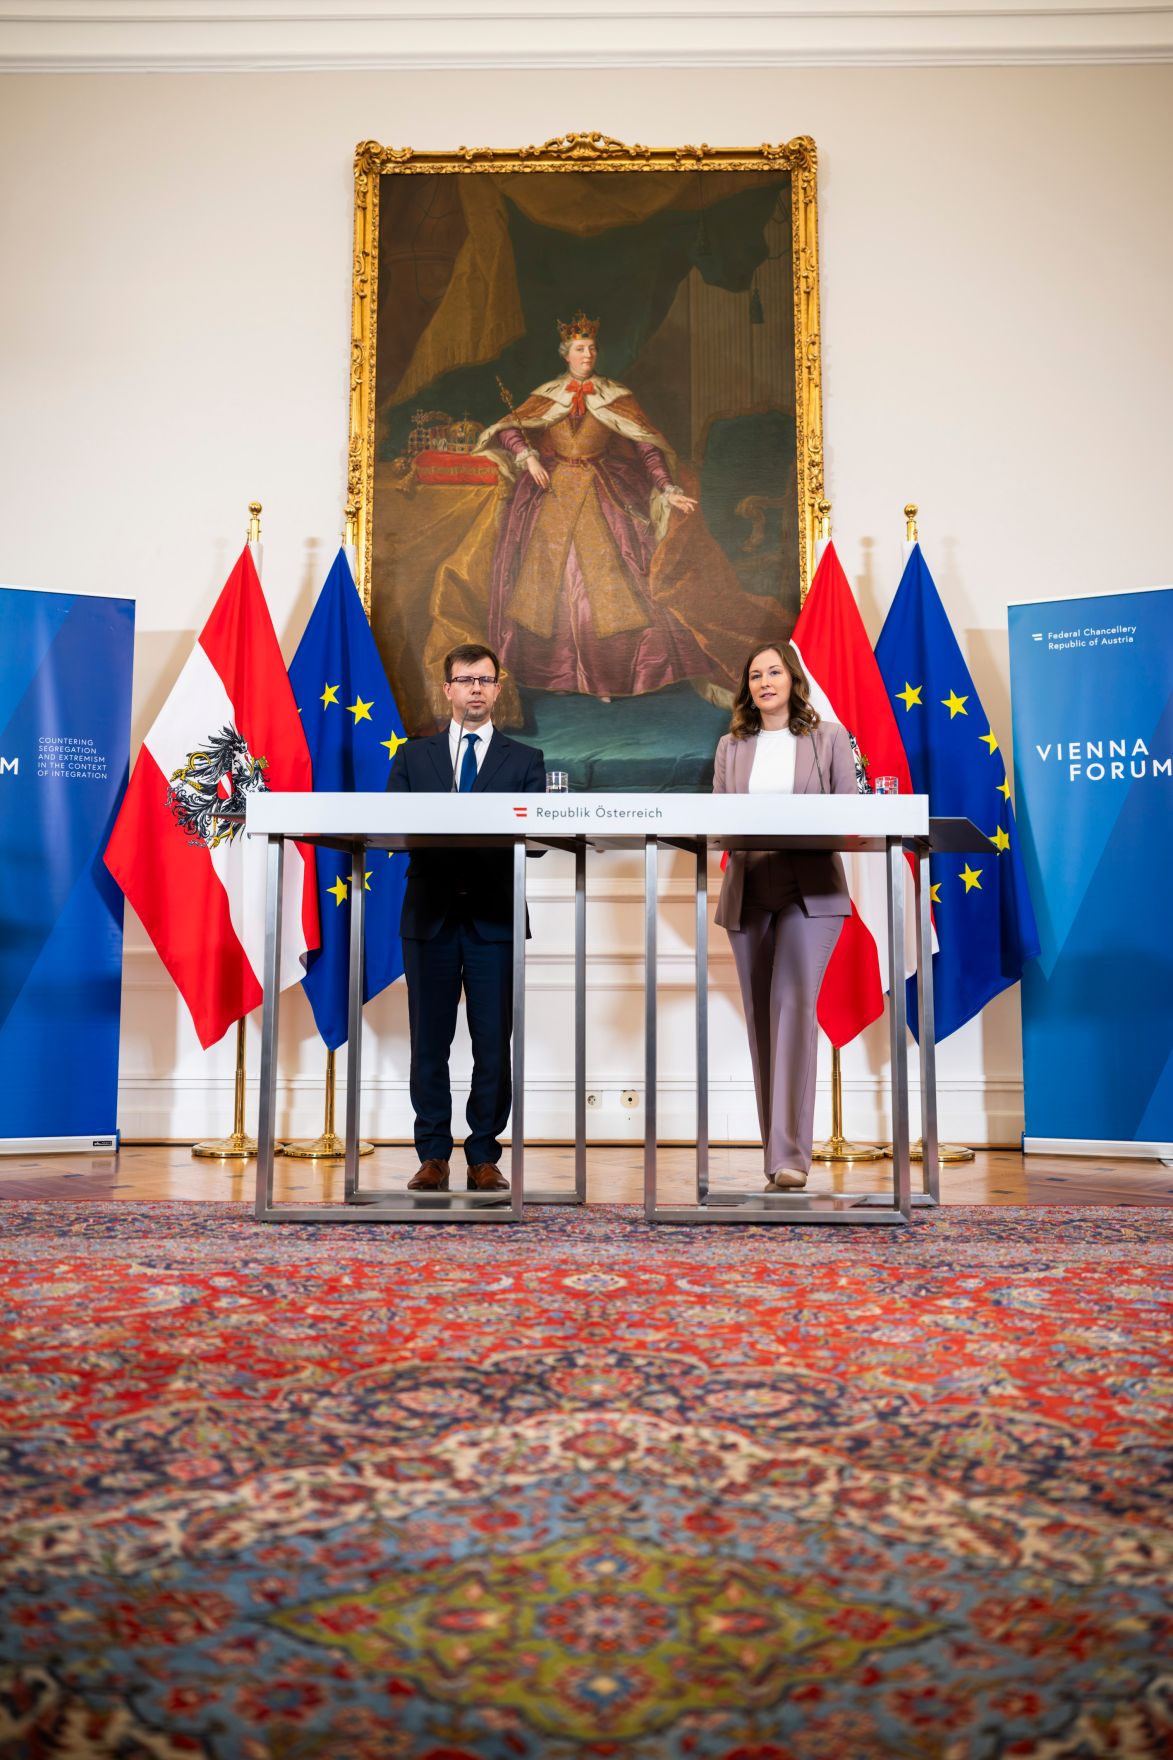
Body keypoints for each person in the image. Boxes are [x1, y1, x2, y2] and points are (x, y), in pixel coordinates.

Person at [472, 311, 786, 700]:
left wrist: (667, 487)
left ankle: (607, 678)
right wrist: (529, 457)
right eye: (580, 348)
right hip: (551, 495)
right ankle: (560, 677)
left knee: (607, 584)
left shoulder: (614, 396)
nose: (587, 355)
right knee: (547, 586)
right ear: (566, 355)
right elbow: (508, 432)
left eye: (592, 348)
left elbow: (646, 446)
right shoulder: (546, 395)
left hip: (601, 493)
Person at [387, 643, 545, 1192]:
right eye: (464, 679)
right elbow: (392, 829)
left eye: (485, 680)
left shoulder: (525, 761)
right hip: (428, 916)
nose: (475, 689)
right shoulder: (413, 757)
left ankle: (483, 1155)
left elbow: (538, 839)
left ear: (498, 690)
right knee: (428, 1041)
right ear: (447, 689)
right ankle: (432, 1154)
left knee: (493, 1042)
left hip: (494, 917)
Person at [713, 644, 857, 1191]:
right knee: (760, 1019)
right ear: (747, 688)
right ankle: (773, 1157)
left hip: (811, 889)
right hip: (749, 886)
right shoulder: (732, 745)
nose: (764, 681)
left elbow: (850, 810)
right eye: (755, 675)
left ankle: (791, 1156)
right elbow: (721, 820)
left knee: (793, 1006)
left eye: (774, 671)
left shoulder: (829, 738)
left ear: (793, 681)